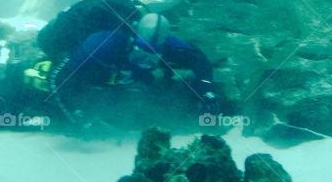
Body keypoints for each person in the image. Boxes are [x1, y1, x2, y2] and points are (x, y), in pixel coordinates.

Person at [47, 12, 218, 126]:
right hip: (87, 84)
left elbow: (201, 63)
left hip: (122, 88)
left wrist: (206, 93)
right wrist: (76, 116)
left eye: (153, 54)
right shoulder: (102, 43)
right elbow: (57, 78)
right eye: (142, 51)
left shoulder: (171, 45)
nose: (147, 59)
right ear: (134, 38)